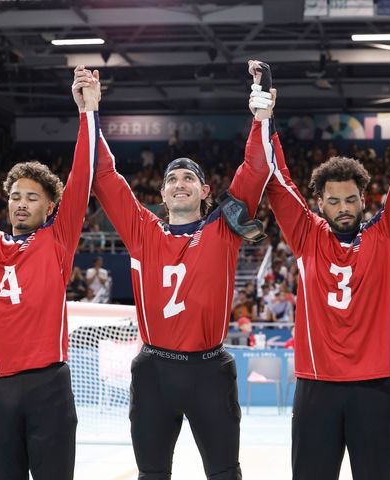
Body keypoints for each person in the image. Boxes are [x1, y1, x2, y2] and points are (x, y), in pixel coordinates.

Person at [81, 61, 275, 479]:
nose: (180, 182)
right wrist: (91, 110)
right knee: (151, 475)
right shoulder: (142, 230)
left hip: (210, 370)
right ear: (163, 192)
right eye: (172, 179)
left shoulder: (224, 227)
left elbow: (256, 169)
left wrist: (261, 110)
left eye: (189, 177)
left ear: (205, 191)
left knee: (225, 472)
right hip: (154, 370)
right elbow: (104, 175)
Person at [265, 74, 390, 479]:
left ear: (364, 198)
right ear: (319, 202)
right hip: (316, 386)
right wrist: (265, 119)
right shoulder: (306, 235)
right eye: (333, 200)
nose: (343, 207)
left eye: (350, 199)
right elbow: (277, 181)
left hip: (375, 387)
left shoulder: (389, 233)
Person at [0, 64, 99, 480]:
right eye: (15, 196)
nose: (21, 204)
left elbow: (83, 176)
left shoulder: (57, 240)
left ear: (50, 207)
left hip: (47, 384)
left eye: (32, 198)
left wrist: (88, 112)